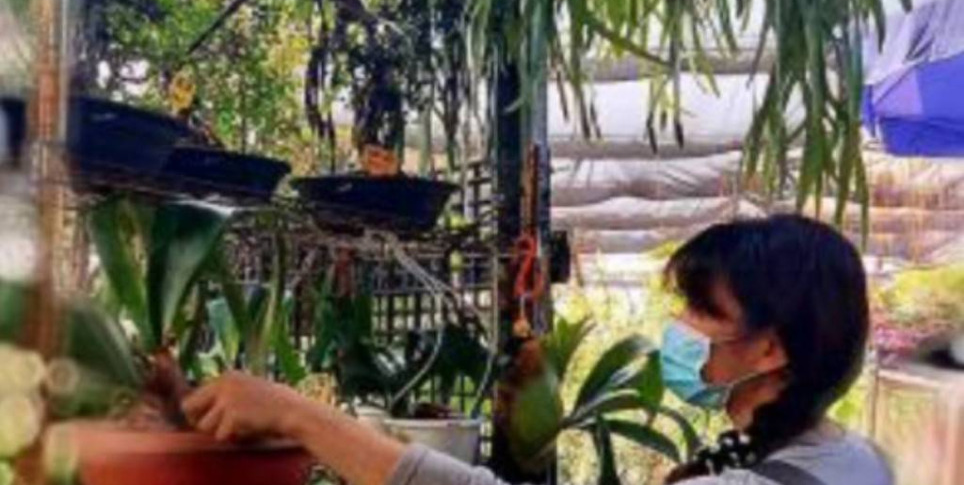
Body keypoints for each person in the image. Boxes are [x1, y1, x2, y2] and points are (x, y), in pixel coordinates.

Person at [181, 215, 892, 485]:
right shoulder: (855, 459)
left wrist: (299, 415)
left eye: (703, 312)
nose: (679, 326)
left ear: (770, 350)